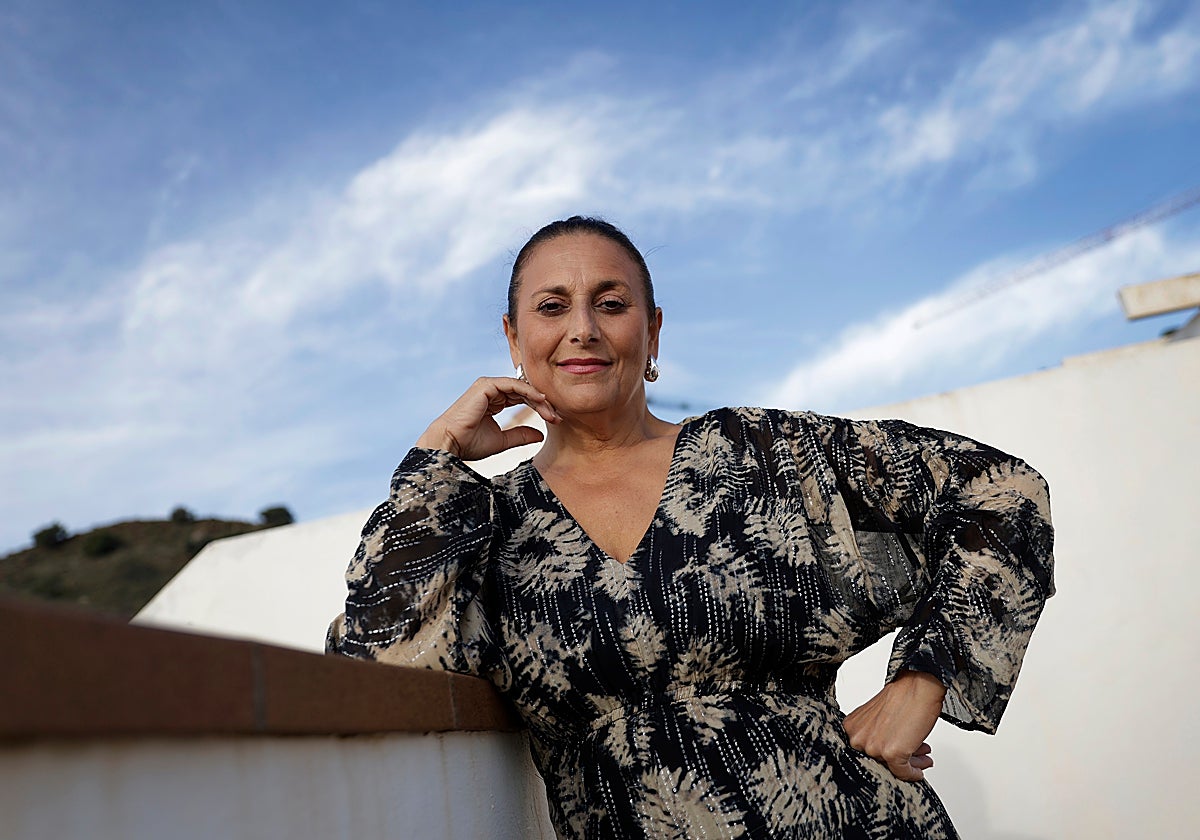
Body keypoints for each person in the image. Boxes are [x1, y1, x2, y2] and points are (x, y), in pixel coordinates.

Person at [327, 216, 1055, 839]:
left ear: (652, 331)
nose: (582, 328)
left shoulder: (763, 455)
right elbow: (374, 667)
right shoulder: (487, 527)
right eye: (553, 307)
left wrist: (922, 679)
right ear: (515, 339)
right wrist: (435, 461)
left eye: (610, 303)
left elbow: (999, 491)